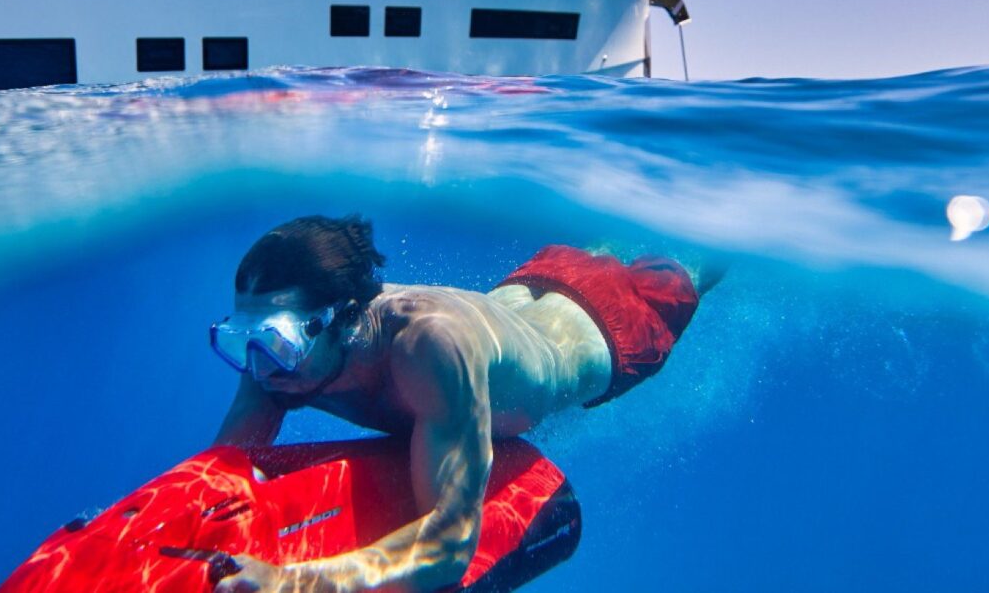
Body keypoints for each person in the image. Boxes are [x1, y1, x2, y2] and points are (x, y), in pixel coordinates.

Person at [209, 215, 723, 593]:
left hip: (610, 329)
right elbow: (220, 475)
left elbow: (449, 544)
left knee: (700, 264)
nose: (258, 366)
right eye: (239, 339)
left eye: (276, 340)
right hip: (532, 283)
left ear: (344, 319)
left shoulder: (429, 350)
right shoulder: (274, 363)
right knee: (611, 242)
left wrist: (291, 583)